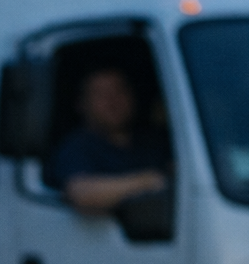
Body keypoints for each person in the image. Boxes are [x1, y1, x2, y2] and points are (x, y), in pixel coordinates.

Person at [47, 67, 170, 214]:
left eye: (120, 90)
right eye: (100, 94)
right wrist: (147, 181)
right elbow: (82, 193)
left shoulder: (153, 141)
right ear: (81, 105)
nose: (113, 99)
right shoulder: (77, 147)